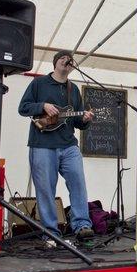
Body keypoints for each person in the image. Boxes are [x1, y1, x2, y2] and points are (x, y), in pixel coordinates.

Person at [18, 49, 95, 241]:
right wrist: (42, 105)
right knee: (45, 189)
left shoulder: (73, 89)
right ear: (55, 63)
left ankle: (82, 225)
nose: (66, 61)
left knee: (78, 183)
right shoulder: (39, 83)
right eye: (62, 58)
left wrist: (85, 119)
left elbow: (77, 123)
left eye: (70, 60)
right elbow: (23, 108)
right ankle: (51, 233)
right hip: (42, 144)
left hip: (69, 145)